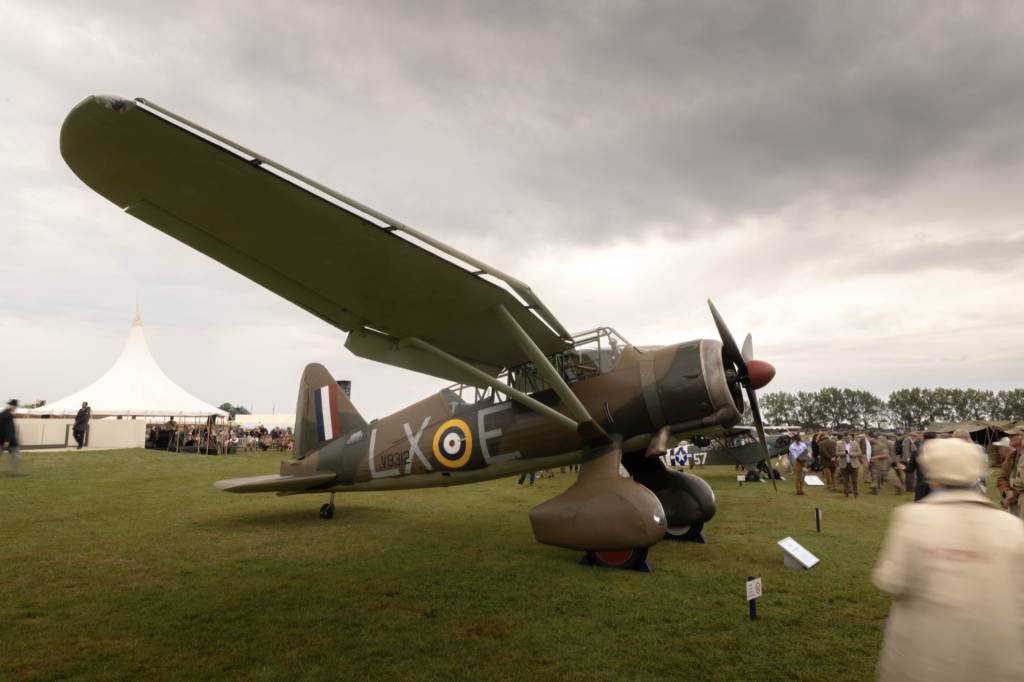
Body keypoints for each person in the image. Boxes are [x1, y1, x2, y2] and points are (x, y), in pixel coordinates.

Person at [872, 438, 1024, 682]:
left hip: (927, 660)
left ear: (933, 474)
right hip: (998, 661)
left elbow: (890, 581)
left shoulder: (913, 519)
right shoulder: (1012, 527)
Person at [996, 433, 1024, 518]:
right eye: (1009, 435)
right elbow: (1002, 478)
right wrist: (1007, 492)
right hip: (1014, 503)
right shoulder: (1012, 456)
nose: (1009, 437)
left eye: (1013, 435)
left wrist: (1014, 493)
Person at [1, 399, 22, 476]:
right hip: (9, 440)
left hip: (3, 439)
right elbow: (8, 428)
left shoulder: (3, 413)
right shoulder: (8, 415)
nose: (16, 408)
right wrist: (7, 440)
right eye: (16, 407)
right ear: (13, 406)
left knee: (15, 455)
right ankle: (12, 472)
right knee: (16, 455)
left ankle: (11, 471)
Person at [837, 433, 862, 498]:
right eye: (845, 437)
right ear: (843, 438)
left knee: (854, 480)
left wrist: (852, 454)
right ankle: (846, 493)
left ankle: (856, 494)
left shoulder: (855, 444)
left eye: (848, 437)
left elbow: (859, 452)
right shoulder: (839, 444)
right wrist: (844, 453)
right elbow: (836, 453)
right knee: (845, 480)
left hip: (854, 464)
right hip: (844, 464)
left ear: (850, 437)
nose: (847, 439)